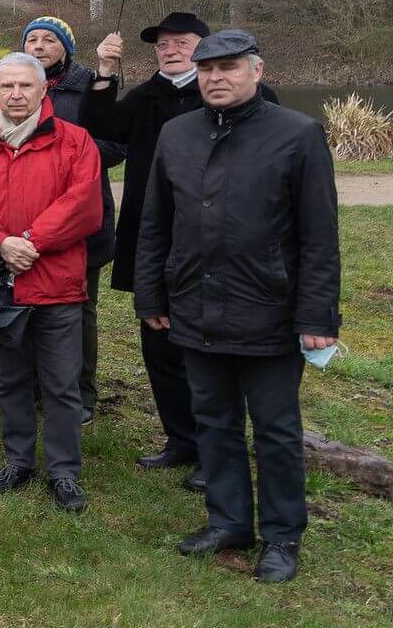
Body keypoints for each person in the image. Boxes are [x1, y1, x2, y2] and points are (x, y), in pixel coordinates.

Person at [137, 30, 340, 584]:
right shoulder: (177, 134)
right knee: (214, 422)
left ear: (257, 70)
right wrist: (153, 294)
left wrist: (318, 316)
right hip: (194, 306)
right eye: (206, 69)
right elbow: (156, 223)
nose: (215, 78)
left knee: (275, 428)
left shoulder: (297, 135)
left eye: (228, 67)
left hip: (269, 309)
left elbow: (320, 235)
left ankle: (282, 535)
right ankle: (229, 521)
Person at [82, 9, 269, 485]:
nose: (170, 49)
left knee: (206, 350)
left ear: (204, 48)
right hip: (150, 234)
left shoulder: (238, 99)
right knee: (158, 342)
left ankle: (216, 450)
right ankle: (180, 439)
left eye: (181, 42)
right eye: (162, 44)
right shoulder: (146, 96)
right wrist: (104, 72)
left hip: (212, 240)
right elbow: (100, 127)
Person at [0, 53, 103, 513]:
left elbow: (83, 204)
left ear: (43, 91)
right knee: (11, 379)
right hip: (0, 285)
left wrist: (30, 241)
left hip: (55, 282)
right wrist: (0, 243)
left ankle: (63, 471)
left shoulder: (74, 142)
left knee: (61, 384)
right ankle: (18, 460)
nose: (16, 95)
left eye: (25, 86)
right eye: (7, 87)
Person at [22, 16, 124, 421]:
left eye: (49, 40)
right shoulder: (13, 87)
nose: (40, 46)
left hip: (80, 220)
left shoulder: (90, 87)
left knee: (78, 310)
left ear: (66, 47)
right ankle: (31, 386)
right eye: (33, 39)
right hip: (25, 220)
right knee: (27, 306)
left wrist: (64, 156)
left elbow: (115, 146)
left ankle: (81, 394)